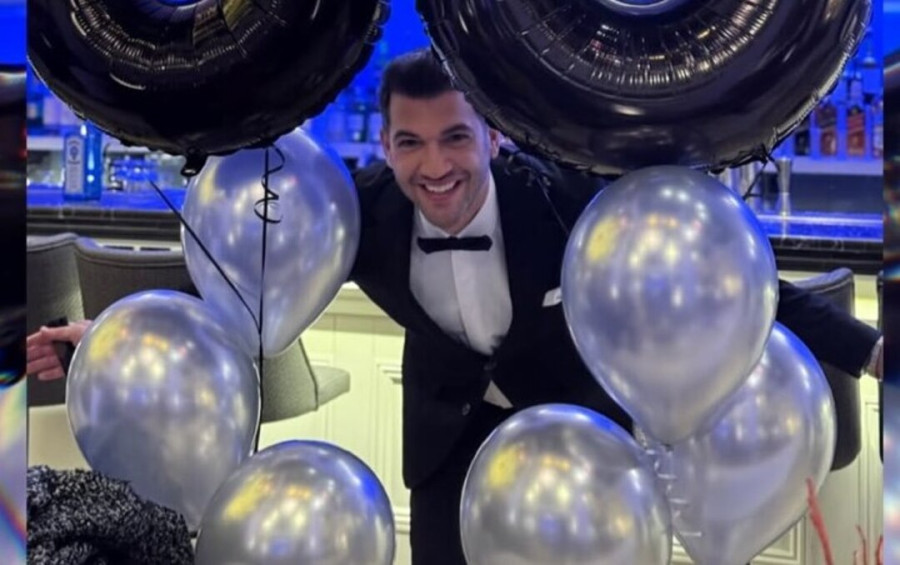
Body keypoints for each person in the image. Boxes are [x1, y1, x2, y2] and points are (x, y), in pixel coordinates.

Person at [28, 49, 883, 564]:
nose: (433, 166)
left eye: (454, 138)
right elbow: (237, 274)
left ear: (494, 136)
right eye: (410, 142)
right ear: (386, 143)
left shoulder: (565, 201)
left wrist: (870, 349)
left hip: (577, 456)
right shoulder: (364, 213)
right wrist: (103, 333)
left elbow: (731, 281)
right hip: (444, 451)